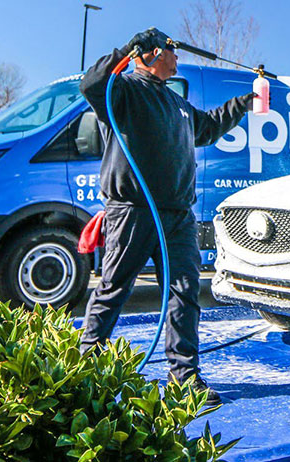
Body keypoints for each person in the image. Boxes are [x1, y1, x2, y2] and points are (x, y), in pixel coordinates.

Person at [79, 27, 253, 406]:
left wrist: (243, 103)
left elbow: (207, 127)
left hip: (177, 216)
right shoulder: (123, 91)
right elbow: (91, 84)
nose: (178, 58)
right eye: (172, 51)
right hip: (133, 212)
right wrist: (128, 46)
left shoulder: (175, 102)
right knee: (113, 289)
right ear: (152, 55)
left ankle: (184, 377)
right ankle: (84, 367)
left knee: (184, 292)